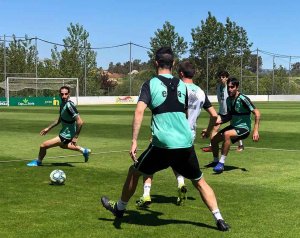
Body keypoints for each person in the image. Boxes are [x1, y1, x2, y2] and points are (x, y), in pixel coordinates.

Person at [100, 47, 230, 232]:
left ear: (155, 63)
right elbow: (184, 113)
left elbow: (139, 111)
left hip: (163, 144)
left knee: (134, 171)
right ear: (173, 64)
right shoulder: (183, 86)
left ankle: (119, 209)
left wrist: (134, 140)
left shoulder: (150, 84)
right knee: (199, 181)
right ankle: (219, 219)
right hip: (185, 142)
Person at [136, 60, 219, 208]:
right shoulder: (200, 92)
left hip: (171, 132)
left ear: (180, 73)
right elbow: (214, 116)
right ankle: (181, 183)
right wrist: (209, 129)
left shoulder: (177, 87)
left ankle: (146, 193)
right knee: (182, 164)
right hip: (189, 135)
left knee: (148, 164)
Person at [27, 86, 91, 166]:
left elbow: (80, 122)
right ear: (59, 94)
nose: (64, 96)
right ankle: (84, 151)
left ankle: (38, 161)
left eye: (66, 94)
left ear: (69, 94)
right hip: (65, 133)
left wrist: (75, 137)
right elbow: (60, 119)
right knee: (63, 146)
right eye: (62, 94)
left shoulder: (69, 106)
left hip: (66, 135)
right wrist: (48, 128)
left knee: (43, 146)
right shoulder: (62, 104)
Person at [211, 77, 260, 173]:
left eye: (232, 87)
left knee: (227, 134)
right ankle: (215, 161)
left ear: (237, 87)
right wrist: (219, 121)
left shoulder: (243, 99)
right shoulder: (228, 100)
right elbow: (229, 116)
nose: (230, 89)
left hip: (244, 128)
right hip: (234, 127)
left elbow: (257, 113)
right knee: (214, 139)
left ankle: (221, 163)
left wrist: (256, 130)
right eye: (228, 87)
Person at [202, 71, 244, 156]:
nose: (221, 78)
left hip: (230, 112)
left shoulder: (227, 87)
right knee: (214, 128)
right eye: (220, 77)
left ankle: (241, 145)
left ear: (227, 78)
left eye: (223, 77)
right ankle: (211, 145)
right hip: (222, 112)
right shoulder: (218, 87)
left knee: (234, 128)